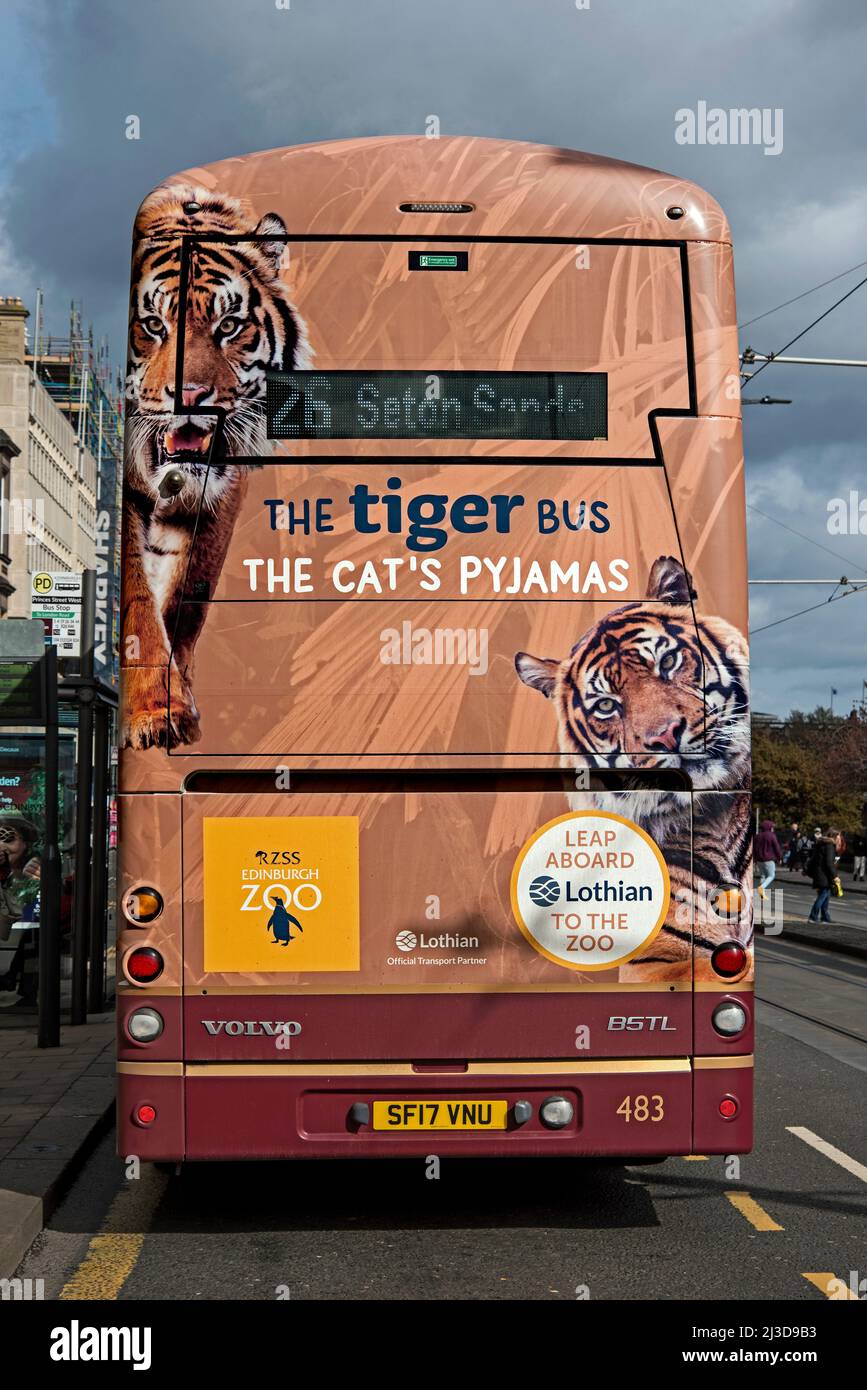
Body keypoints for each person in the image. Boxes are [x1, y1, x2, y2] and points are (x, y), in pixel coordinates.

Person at [0, 812, 41, 1007]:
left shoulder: (34, 870)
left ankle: (24, 986)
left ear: (25, 843)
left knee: (32, 941)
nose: (2, 846)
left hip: (27, 926)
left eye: (8, 838)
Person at [806, 827, 838, 924]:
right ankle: (813, 916)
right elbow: (829, 863)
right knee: (823, 895)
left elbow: (813, 859)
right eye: (839, 837)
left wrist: (807, 871)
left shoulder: (821, 844)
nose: (839, 839)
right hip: (824, 875)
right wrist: (835, 876)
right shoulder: (830, 846)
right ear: (834, 836)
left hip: (819, 874)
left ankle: (825, 917)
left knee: (826, 896)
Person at [753, 818, 783, 900]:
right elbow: (776, 847)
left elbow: (754, 849)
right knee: (771, 875)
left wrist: (755, 859)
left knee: (763, 875)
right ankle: (762, 887)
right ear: (769, 827)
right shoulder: (771, 835)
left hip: (759, 860)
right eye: (772, 827)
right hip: (769, 859)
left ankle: (761, 895)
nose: (773, 828)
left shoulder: (757, 836)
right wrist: (779, 857)